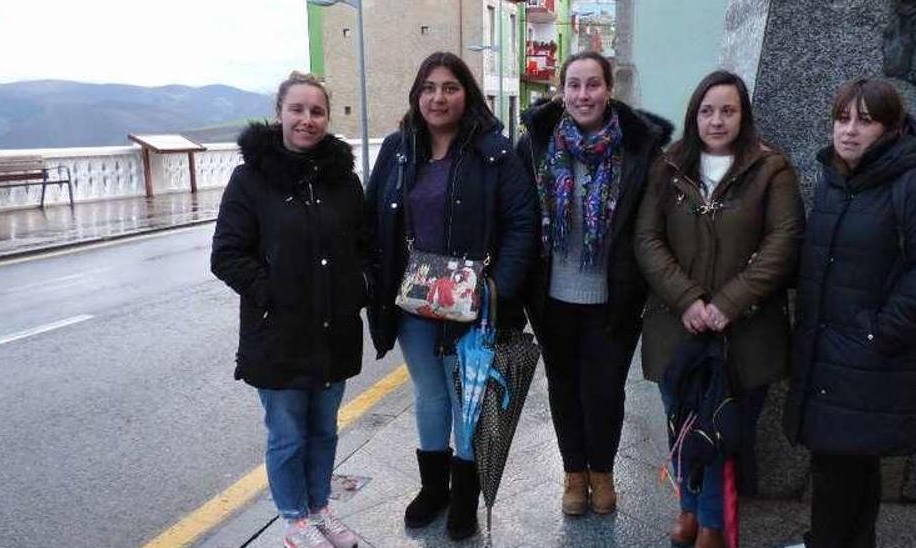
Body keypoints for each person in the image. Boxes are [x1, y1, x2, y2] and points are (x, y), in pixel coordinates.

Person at [364, 51, 538, 540]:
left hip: (474, 302)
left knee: (470, 395)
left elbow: (522, 226)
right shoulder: (398, 148)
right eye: (428, 88)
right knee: (430, 392)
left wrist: (495, 289)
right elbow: (374, 218)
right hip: (414, 298)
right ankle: (433, 488)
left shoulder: (494, 152)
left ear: (468, 94)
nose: (438, 98)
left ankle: (464, 495)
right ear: (417, 95)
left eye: (450, 87)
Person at [782, 78, 916, 548]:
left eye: (865, 120)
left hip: (868, 354)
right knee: (846, 462)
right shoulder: (837, 180)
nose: (849, 131)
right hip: (832, 351)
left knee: (840, 465)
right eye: (842, 118)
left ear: (891, 127)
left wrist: (881, 334)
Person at [635, 70, 804, 547]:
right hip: (677, 327)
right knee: (683, 422)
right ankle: (689, 511)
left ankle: (712, 524)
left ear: (743, 115)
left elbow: (784, 241)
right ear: (694, 116)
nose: (717, 120)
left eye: (728, 110)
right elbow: (647, 239)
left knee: (723, 429)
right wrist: (687, 298)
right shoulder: (669, 166)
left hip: (745, 332)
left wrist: (728, 302)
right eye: (707, 111)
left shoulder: (772, 170)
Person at [211, 72, 365, 548]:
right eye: (297, 109)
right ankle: (294, 520)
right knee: (287, 434)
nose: (307, 120)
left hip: (333, 330)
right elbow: (226, 255)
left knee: (324, 430)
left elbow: (365, 246)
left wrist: (359, 287)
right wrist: (274, 295)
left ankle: (320, 510)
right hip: (278, 336)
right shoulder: (251, 179)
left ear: (327, 117)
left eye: (316, 111)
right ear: (279, 113)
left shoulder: (343, 179)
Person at [517, 51, 672, 517]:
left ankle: (602, 473)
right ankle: (574, 475)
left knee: (605, 391)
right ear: (562, 92)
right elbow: (520, 217)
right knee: (563, 388)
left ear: (609, 90)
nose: (583, 95)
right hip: (552, 296)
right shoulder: (536, 144)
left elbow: (655, 224)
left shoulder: (639, 150)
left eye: (593, 85)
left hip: (615, 298)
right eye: (575, 85)